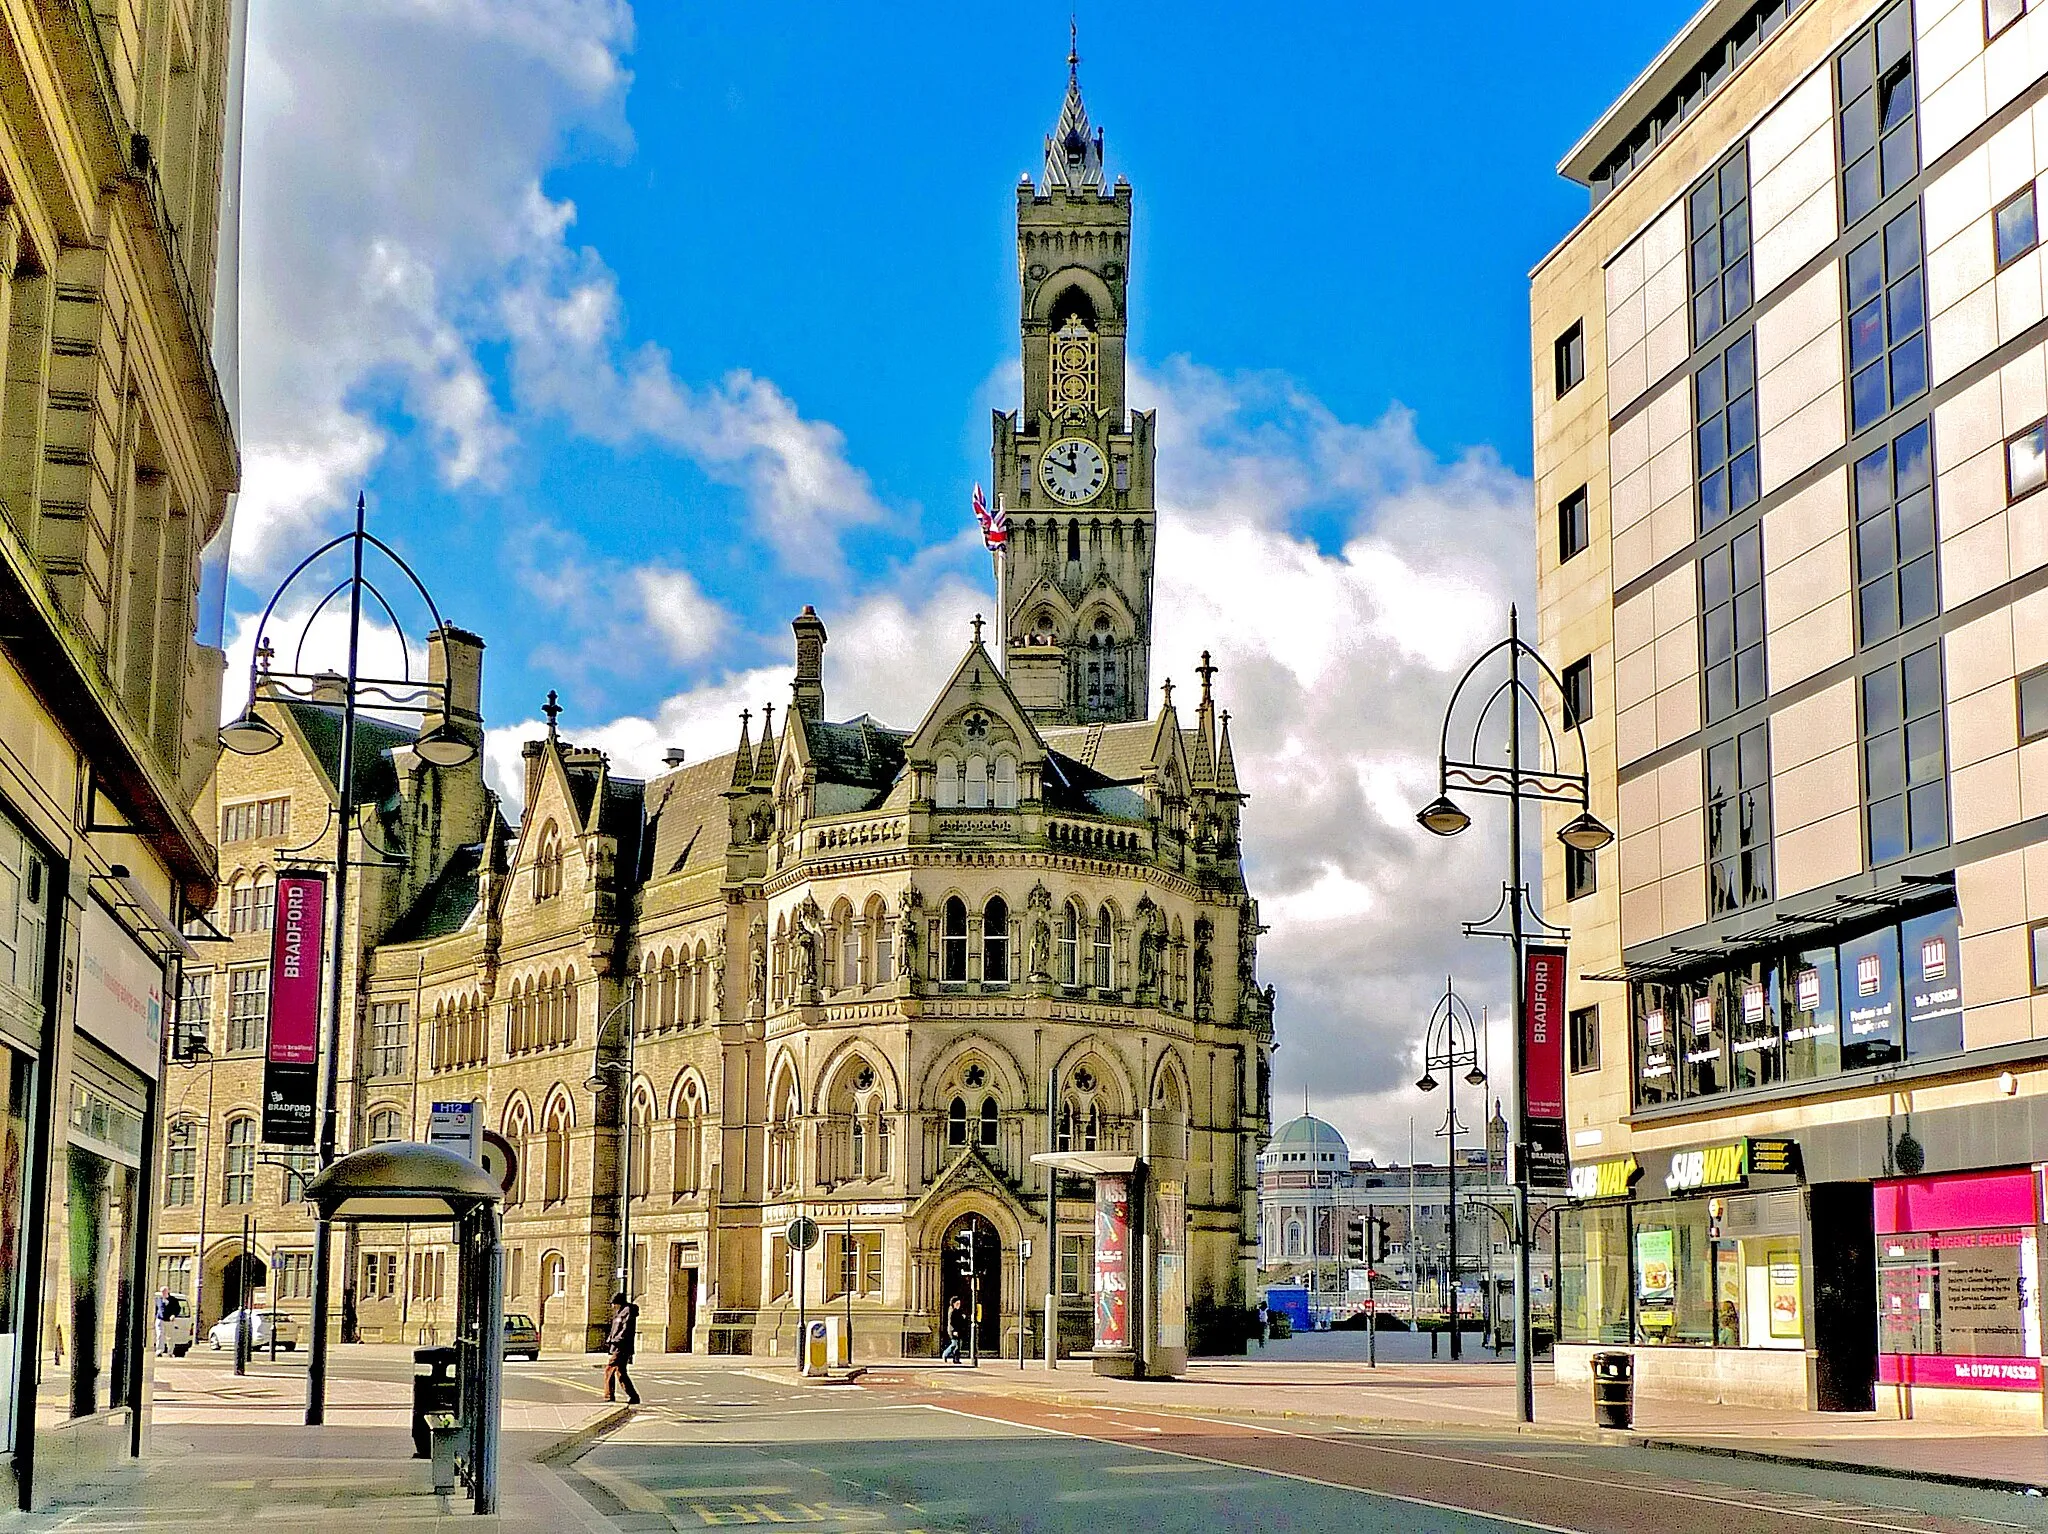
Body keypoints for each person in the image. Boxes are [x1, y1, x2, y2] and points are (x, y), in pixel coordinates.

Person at [603, 1290, 640, 1405]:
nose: (612, 1306)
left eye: (614, 1303)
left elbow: (625, 1330)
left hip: (622, 1347)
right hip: (617, 1346)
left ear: (619, 1303)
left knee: (609, 1369)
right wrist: (610, 1338)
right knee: (620, 1372)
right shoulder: (619, 1313)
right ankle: (633, 1396)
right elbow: (615, 1328)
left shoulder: (627, 1312)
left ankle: (608, 1396)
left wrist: (615, 1340)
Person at [939, 1296, 967, 1363]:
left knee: (958, 1346)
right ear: (953, 1303)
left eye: (959, 1304)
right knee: (954, 1344)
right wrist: (954, 1331)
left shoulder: (957, 1310)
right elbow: (952, 1322)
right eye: (957, 1304)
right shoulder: (952, 1311)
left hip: (958, 1330)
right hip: (953, 1330)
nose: (958, 1305)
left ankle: (956, 1359)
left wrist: (963, 1317)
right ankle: (945, 1354)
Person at [154, 1286, 180, 1357]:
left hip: (169, 1321)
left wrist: (174, 1315)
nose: (163, 1293)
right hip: (160, 1320)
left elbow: (178, 1309)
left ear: (168, 1291)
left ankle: (170, 1352)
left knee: (170, 1337)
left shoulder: (173, 1300)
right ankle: (159, 1351)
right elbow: (155, 1309)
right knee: (159, 1335)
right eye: (162, 1291)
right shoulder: (158, 1299)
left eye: (164, 1291)